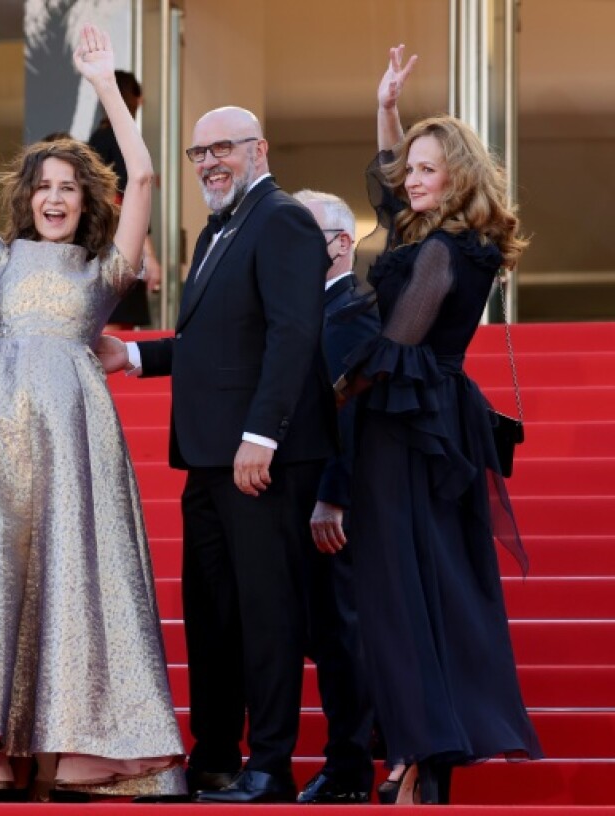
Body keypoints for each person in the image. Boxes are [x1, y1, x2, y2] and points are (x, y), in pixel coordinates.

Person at [0, 8, 185, 801]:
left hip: (76, 432)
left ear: (85, 201)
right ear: (25, 199)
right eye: (44, 188)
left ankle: (80, 751)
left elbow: (145, 179)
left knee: (75, 575)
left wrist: (104, 88)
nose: (55, 198)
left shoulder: (105, 271)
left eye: (69, 188)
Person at [98, 106, 337, 804]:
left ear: (258, 149)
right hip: (208, 459)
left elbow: (294, 334)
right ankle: (215, 757)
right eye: (198, 152)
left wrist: (261, 436)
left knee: (266, 615)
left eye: (222, 148)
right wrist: (134, 355)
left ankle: (270, 767)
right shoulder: (218, 228)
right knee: (212, 615)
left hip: (260, 460)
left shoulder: (283, 219)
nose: (209, 162)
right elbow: (216, 341)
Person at [333, 45, 543, 805]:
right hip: (430, 423)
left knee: (402, 593)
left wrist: (331, 393)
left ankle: (418, 752)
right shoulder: (440, 238)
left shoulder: (445, 254)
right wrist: (387, 107)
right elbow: (390, 189)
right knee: (422, 589)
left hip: (409, 427)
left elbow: (397, 346)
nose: (412, 179)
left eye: (428, 169)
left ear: (458, 177)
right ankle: (422, 753)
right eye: (412, 168)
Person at [291, 189, 382, 804]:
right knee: (327, 634)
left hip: (337, 508)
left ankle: (350, 769)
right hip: (306, 500)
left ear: (342, 243)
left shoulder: (351, 313)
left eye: (302, 237)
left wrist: (332, 496)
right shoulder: (311, 311)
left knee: (341, 636)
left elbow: (350, 413)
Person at [86, 70, 162, 329]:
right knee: (115, 333)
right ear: (134, 98)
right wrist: (149, 256)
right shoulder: (119, 140)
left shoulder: (97, 138)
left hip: (100, 246)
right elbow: (127, 198)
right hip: (117, 247)